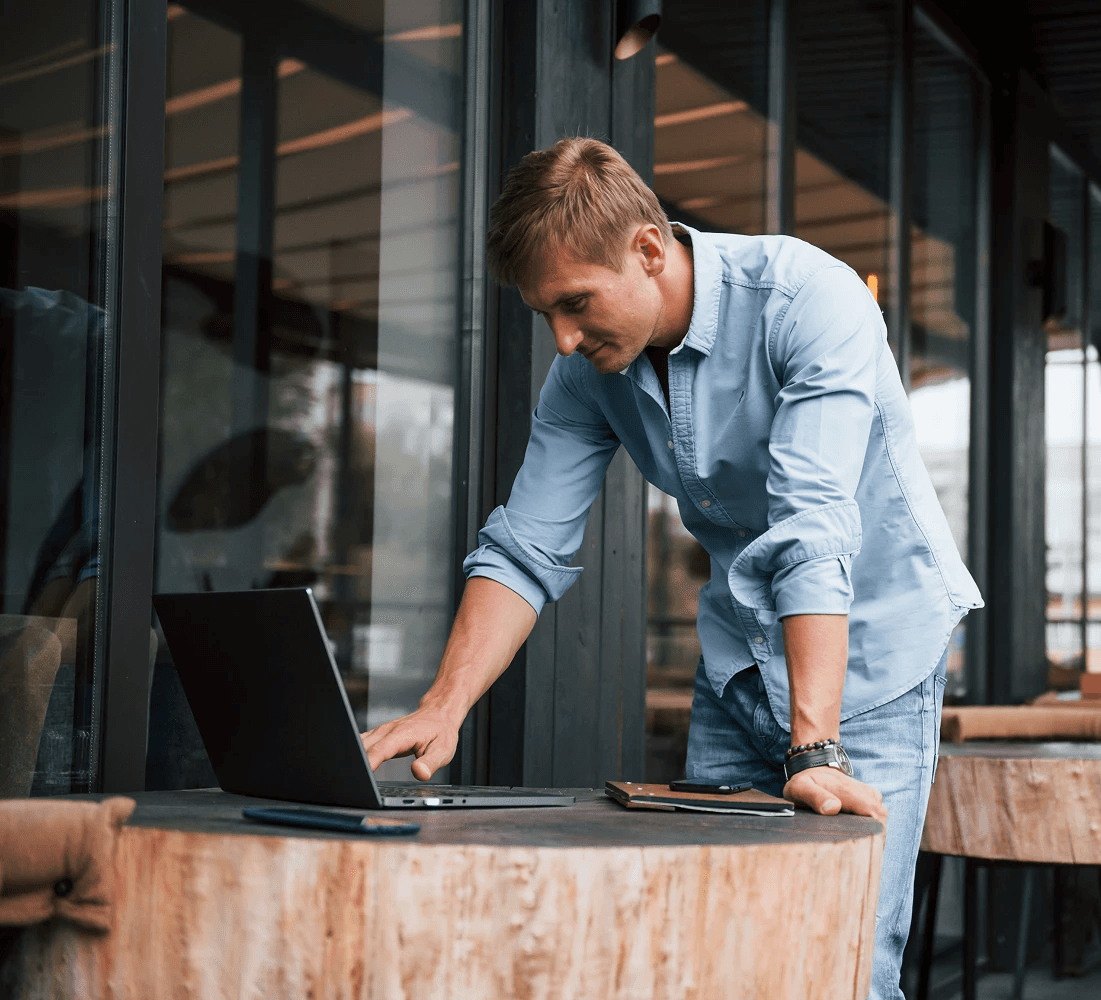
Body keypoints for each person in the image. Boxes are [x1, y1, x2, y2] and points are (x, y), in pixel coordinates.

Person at [361, 137, 982, 999]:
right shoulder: (586, 376)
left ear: (648, 250)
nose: (564, 339)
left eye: (575, 303)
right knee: (711, 956)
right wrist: (444, 705)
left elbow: (810, 529)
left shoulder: (809, 300)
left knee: (841, 966)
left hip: (870, 665)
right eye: (545, 314)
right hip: (735, 664)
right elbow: (524, 545)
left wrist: (815, 745)